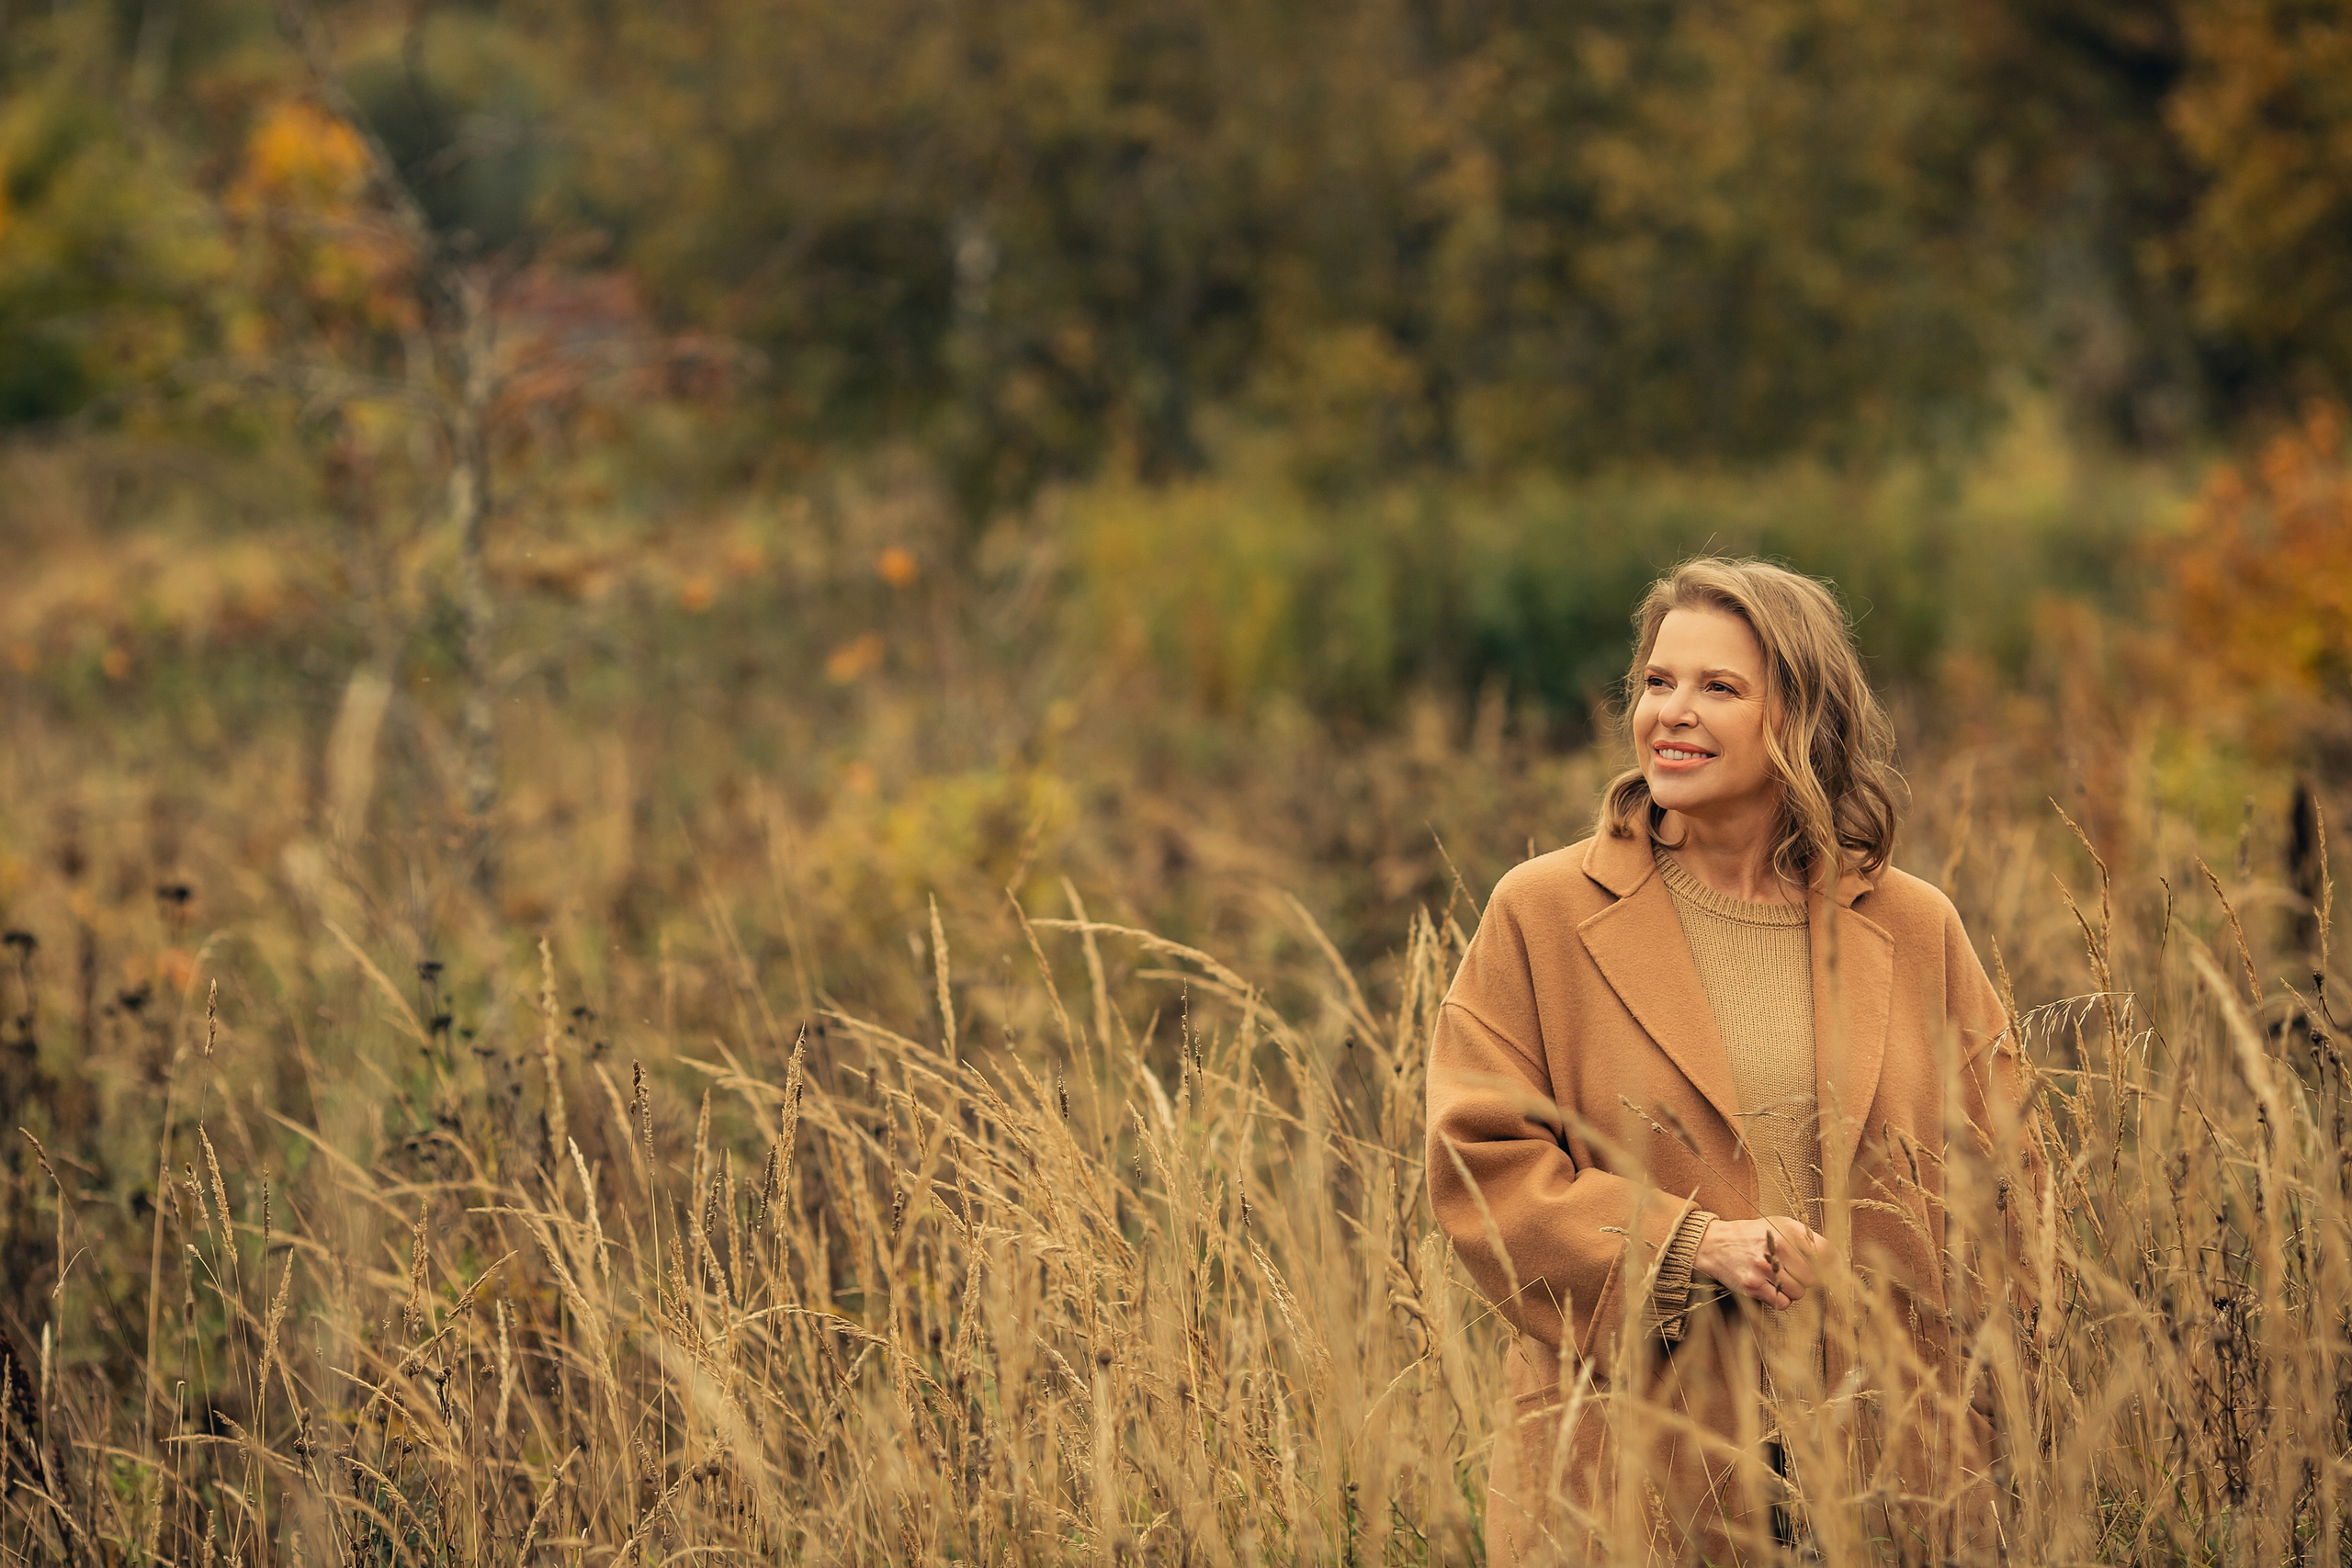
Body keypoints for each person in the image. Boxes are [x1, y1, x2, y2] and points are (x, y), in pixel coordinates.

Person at [1425, 557, 2030, 1563]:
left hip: (1885, 1476)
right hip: (1628, 1475)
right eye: (1657, 683)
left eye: (1717, 688)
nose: (1671, 713)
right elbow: (1478, 1169)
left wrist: (1945, 1374)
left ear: (1801, 718)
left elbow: (2005, 1192)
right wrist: (1686, 1245)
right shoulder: (1541, 913)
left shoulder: (1916, 926)